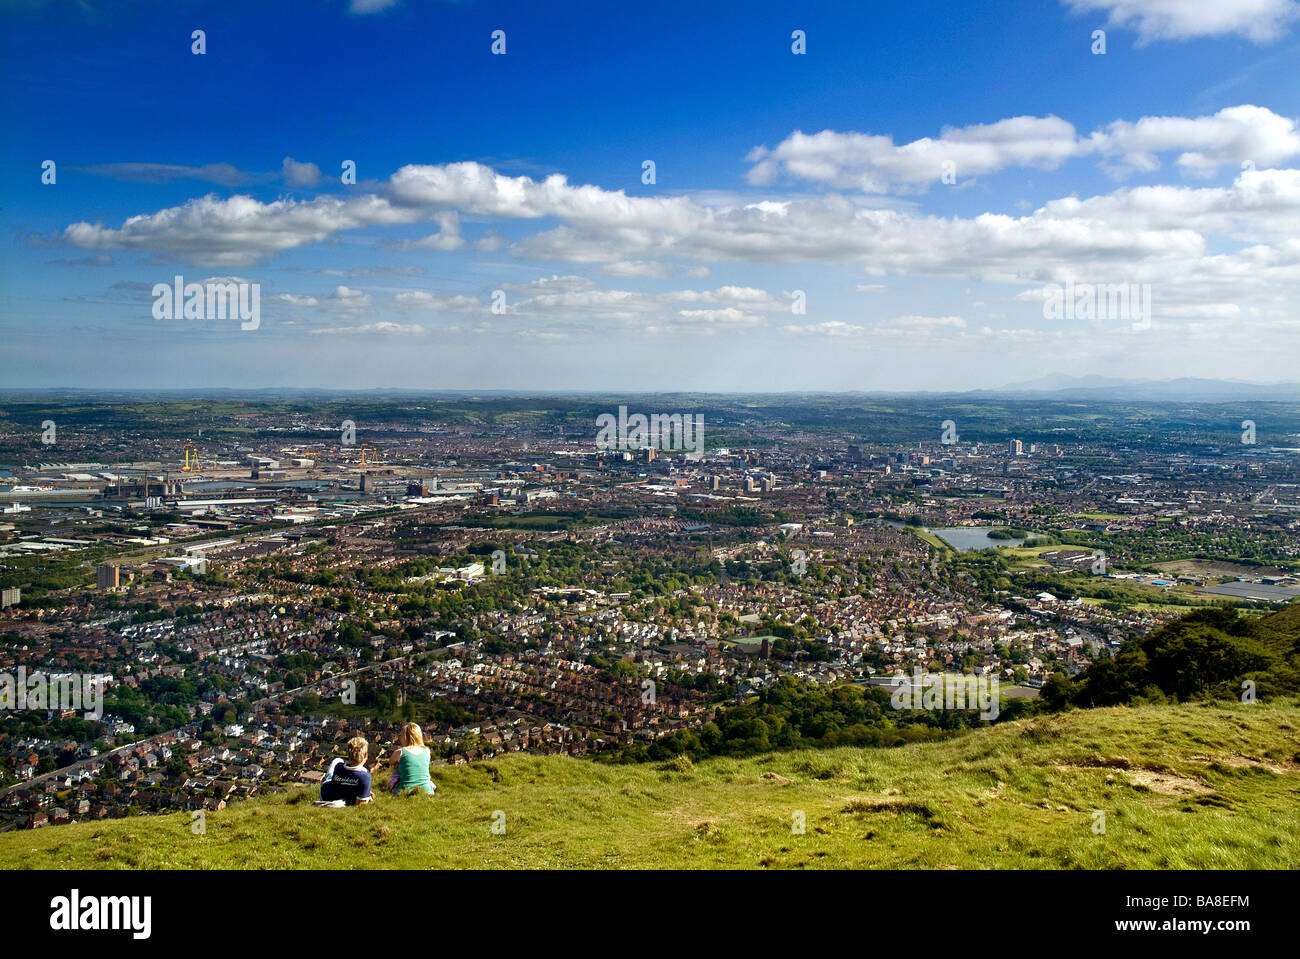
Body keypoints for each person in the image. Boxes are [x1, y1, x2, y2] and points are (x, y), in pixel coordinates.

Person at [318, 736, 373, 805]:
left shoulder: (338, 767)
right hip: (347, 800)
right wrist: (366, 795)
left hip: (327, 796)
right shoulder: (365, 777)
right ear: (365, 755)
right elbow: (361, 804)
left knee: (337, 760)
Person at [388, 722, 436, 796]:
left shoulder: (400, 752)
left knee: (396, 773)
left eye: (401, 736)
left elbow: (391, 762)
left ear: (405, 737)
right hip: (427, 791)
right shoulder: (427, 751)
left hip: (405, 791)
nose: (400, 738)